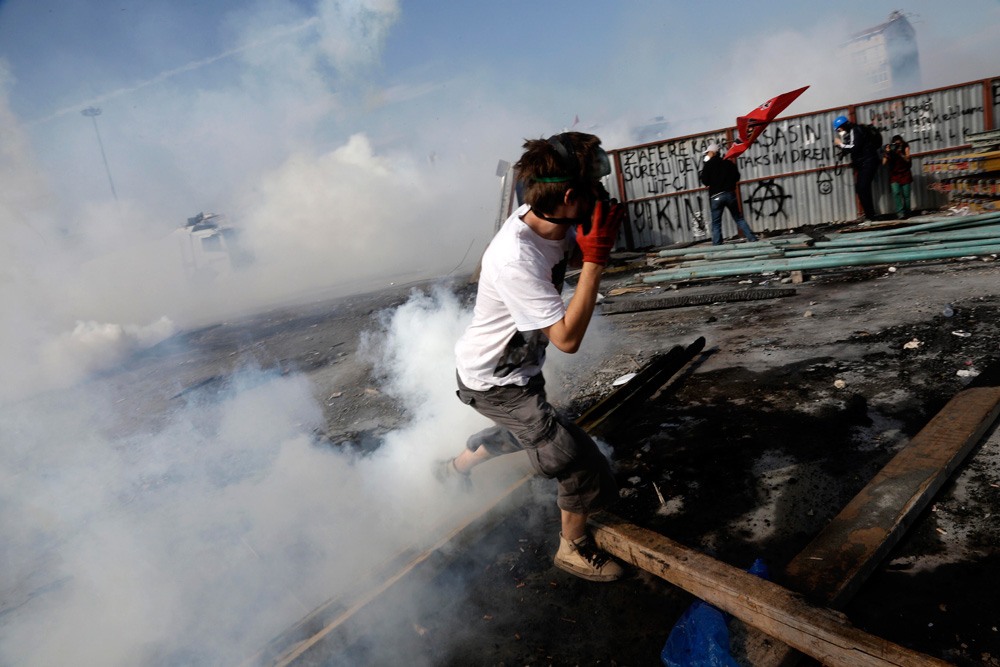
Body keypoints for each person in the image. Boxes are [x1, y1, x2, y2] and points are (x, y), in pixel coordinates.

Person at [438, 132, 626, 582]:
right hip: (494, 381)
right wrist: (595, 261)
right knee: (576, 460)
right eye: (592, 191)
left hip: (514, 370)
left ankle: (451, 470)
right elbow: (565, 339)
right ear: (566, 197)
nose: (601, 198)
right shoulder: (514, 257)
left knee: (526, 433)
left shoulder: (548, 220)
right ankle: (573, 547)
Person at [699, 143, 758, 245]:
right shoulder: (728, 163)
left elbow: (705, 181)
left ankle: (717, 245)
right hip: (730, 194)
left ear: (712, 153)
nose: (707, 154)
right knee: (738, 218)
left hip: (716, 197)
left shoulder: (708, 165)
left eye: (708, 153)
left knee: (716, 223)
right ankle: (752, 238)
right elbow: (737, 177)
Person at [833, 116, 880, 222]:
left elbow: (854, 147)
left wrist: (840, 144)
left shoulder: (855, 130)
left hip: (868, 162)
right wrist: (843, 151)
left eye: (839, 129)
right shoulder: (852, 132)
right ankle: (870, 215)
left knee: (863, 188)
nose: (839, 132)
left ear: (843, 125)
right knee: (861, 189)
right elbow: (855, 146)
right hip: (865, 163)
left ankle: (870, 216)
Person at [882, 134, 913, 219]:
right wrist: (887, 152)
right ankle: (900, 213)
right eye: (895, 144)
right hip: (894, 175)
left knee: (906, 195)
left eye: (899, 144)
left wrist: (900, 153)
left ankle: (907, 212)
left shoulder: (905, 147)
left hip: (905, 173)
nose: (897, 146)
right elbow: (883, 163)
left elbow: (907, 159)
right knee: (896, 193)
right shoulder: (891, 150)